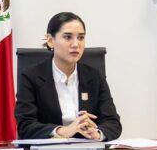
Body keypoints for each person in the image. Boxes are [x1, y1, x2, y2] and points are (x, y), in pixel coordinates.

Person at [15, 12, 122, 141]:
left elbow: (113, 122)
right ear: (50, 41)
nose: (76, 44)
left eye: (81, 37)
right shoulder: (30, 76)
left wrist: (97, 134)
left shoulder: (94, 76)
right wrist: (63, 131)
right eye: (68, 37)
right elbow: (25, 126)